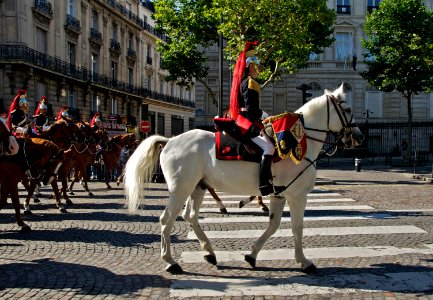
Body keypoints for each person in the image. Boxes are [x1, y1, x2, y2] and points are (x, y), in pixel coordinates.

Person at [229, 41, 276, 196]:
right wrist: (264, 114)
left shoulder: (244, 82)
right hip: (246, 121)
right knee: (269, 148)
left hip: (243, 119)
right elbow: (251, 111)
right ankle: (263, 184)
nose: (259, 70)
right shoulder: (250, 82)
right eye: (257, 67)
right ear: (250, 67)